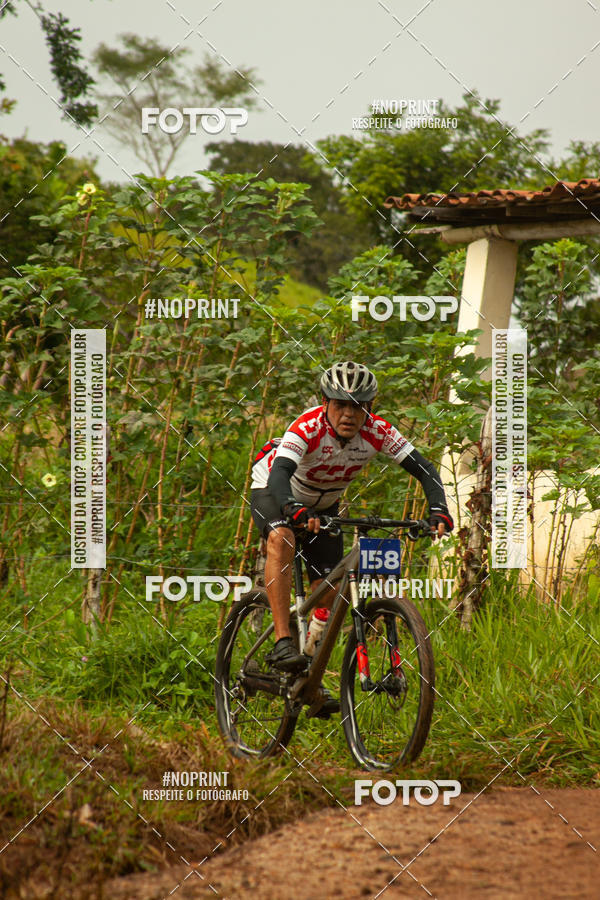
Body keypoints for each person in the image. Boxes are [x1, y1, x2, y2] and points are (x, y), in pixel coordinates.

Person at [249, 361, 453, 717]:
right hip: (275, 489)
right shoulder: (307, 427)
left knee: (331, 587)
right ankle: (283, 641)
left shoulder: (378, 431)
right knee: (282, 539)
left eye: (358, 406)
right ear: (325, 403)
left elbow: (424, 469)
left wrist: (439, 510)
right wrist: (293, 509)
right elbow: (281, 474)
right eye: (340, 404)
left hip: (325, 504)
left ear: (369, 409)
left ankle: (308, 669)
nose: (349, 414)